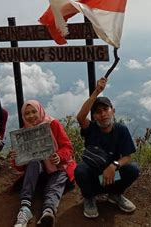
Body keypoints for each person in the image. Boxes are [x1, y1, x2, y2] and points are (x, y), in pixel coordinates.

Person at [75, 77, 140, 219]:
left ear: (113, 111)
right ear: (94, 116)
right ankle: (90, 197)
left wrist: (114, 166)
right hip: (93, 175)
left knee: (133, 169)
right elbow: (80, 117)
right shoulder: (91, 128)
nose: (103, 114)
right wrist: (96, 92)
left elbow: (127, 156)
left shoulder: (121, 130)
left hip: (112, 176)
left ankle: (115, 194)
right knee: (80, 170)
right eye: (98, 112)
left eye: (106, 109)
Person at [10, 100, 76, 227]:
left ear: (40, 110)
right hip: (39, 172)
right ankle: (25, 208)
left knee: (57, 180)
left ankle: (48, 212)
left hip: (58, 167)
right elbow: (21, 167)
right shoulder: (24, 133)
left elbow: (67, 147)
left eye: (34, 111)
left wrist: (59, 156)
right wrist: (16, 158)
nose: (31, 116)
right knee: (34, 162)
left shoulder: (53, 124)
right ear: (23, 116)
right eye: (27, 113)